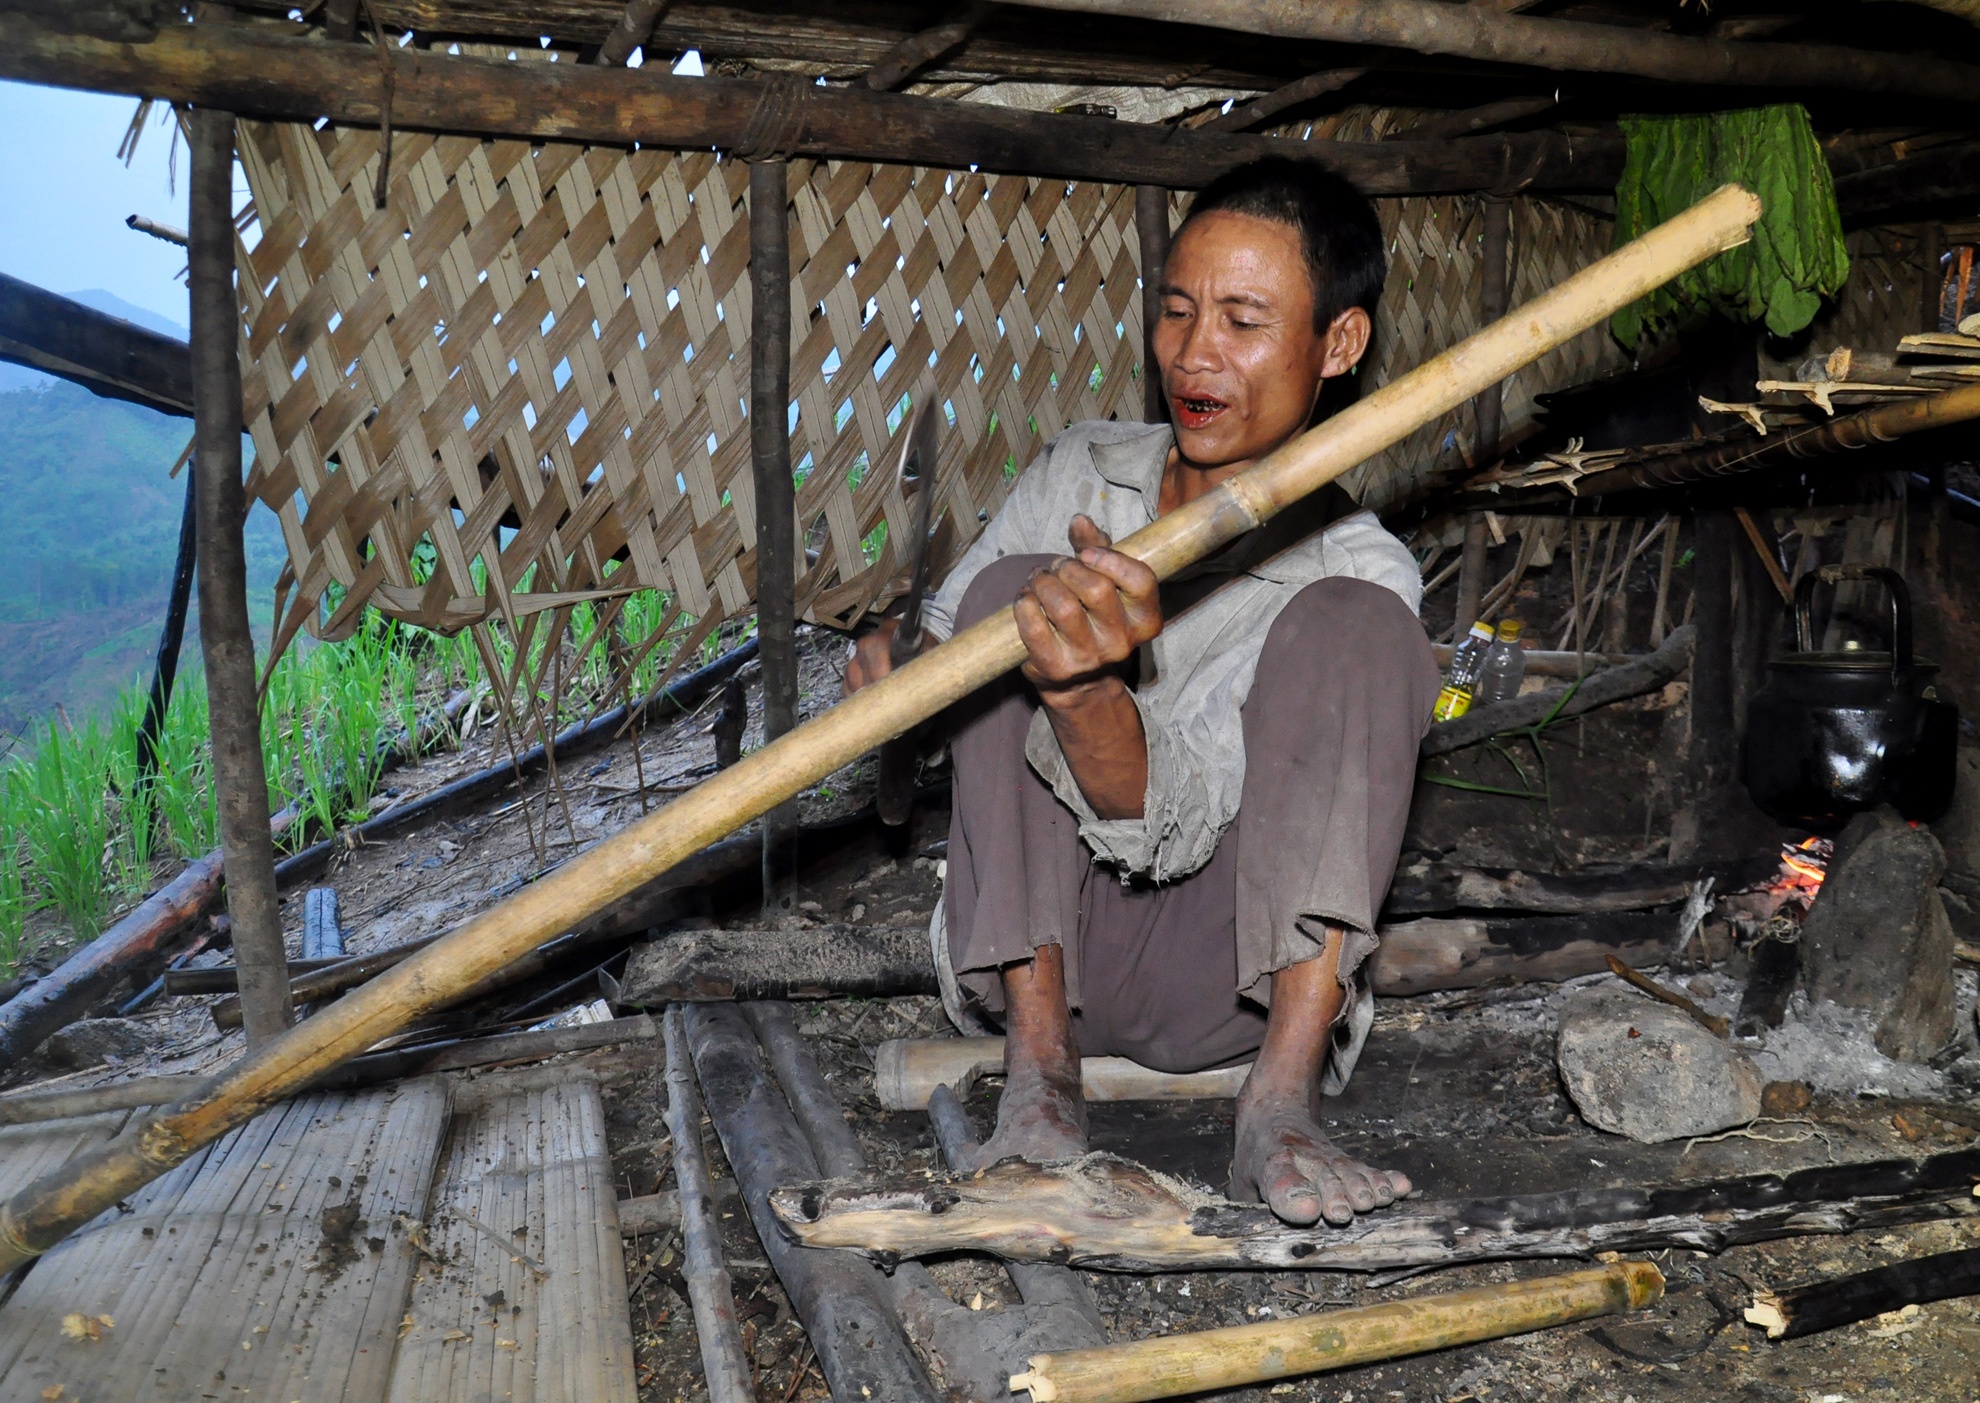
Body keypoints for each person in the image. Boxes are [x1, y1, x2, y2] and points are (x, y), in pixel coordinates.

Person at [844, 157, 1438, 1228]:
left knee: (1363, 632)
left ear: (1337, 344)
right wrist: (898, 675)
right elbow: (934, 695)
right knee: (1008, 590)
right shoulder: (1085, 470)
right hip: (1036, 945)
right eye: (1177, 311)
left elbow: (1169, 822)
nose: (1194, 353)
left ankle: (1282, 1101)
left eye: (1245, 320)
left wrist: (1084, 697)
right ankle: (1038, 1077)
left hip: (1229, 982)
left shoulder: (1358, 568)